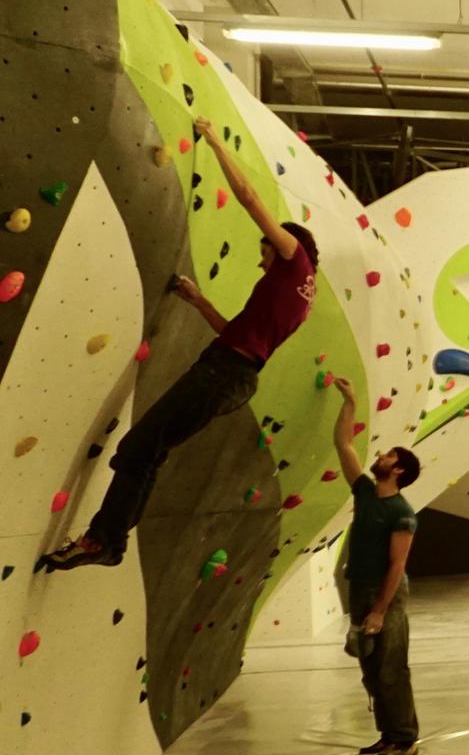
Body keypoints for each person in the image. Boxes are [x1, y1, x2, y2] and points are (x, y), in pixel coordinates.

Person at [41, 116, 317, 573]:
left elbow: (249, 198)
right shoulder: (302, 296)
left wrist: (213, 140)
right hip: (234, 375)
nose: (261, 257)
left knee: (138, 450)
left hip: (221, 373)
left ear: (285, 244)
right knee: (147, 451)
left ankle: (103, 541)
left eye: (265, 249)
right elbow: (238, 331)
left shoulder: (295, 261)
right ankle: (107, 542)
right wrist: (197, 300)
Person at [329, 375, 424, 755]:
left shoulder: (402, 513)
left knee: (390, 668)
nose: (381, 455)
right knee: (370, 669)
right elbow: (343, 443)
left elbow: (397, 564)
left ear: (398, 470)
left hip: (385, 595)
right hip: (360, 587)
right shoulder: (366, 492)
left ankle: (404, 738)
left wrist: (379, 612)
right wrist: (349, 401)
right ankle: (387, 733)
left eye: (389, 455)